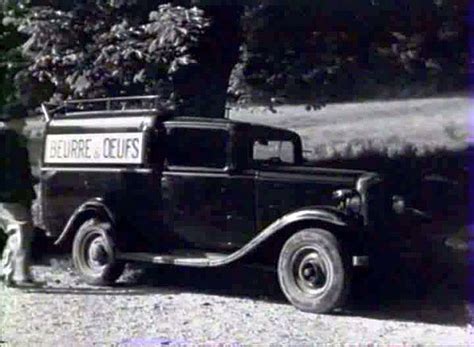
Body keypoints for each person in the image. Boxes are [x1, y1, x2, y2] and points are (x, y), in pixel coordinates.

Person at [0, 104, 39, 287]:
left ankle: (6, 270)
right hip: (8, 195)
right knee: (21, 230)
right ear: (12, 121)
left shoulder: (13, 138)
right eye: (22, 120)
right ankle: (18, 275)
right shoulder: (6, 139)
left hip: (15, 194)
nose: (24, 123)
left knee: (18, 232)